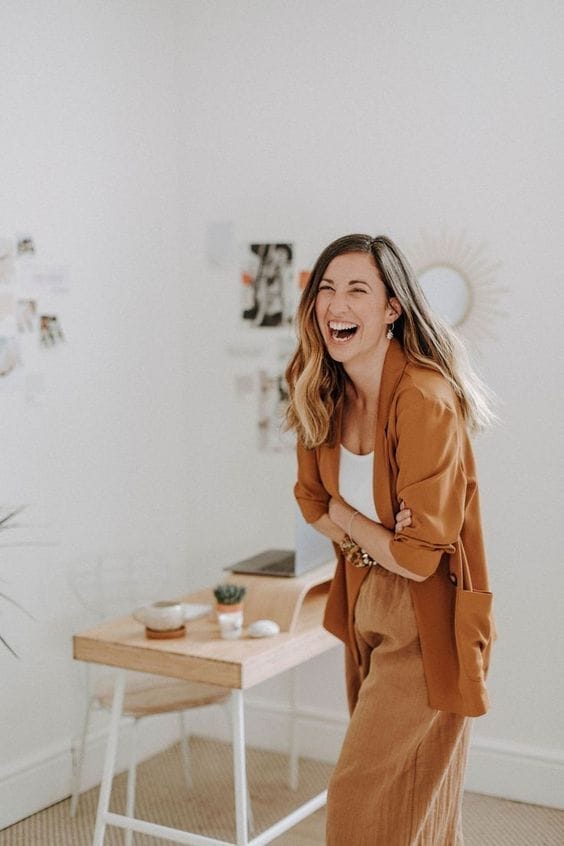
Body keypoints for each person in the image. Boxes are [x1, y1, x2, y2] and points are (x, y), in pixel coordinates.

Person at [284, 233, 498, 845]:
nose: (337, 304)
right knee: (412, 807)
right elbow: (311, 503)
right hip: (364, 603)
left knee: (361, 800)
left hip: (427, 621)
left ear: (392, 309)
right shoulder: (319, 386)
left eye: (358, 290)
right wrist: (378, 535)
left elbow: (416, 558)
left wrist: (352, 523)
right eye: (327, 288)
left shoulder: (425, 399)